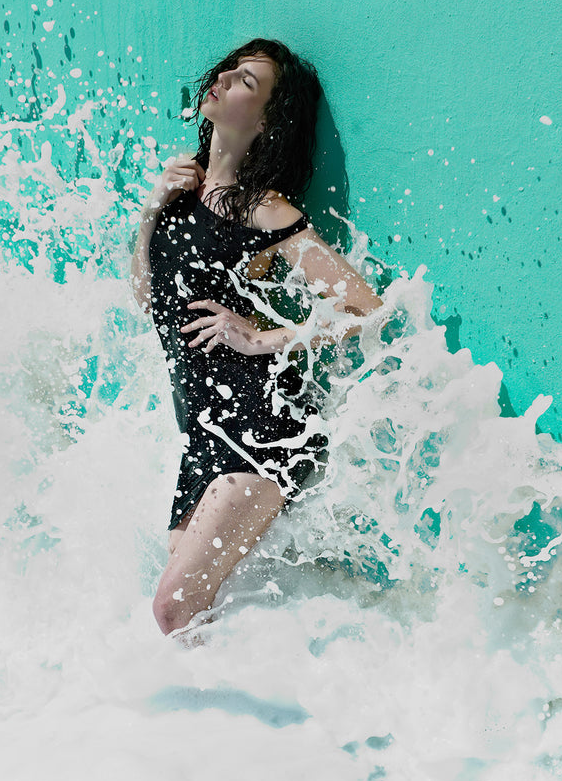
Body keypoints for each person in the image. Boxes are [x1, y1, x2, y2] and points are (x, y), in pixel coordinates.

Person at [129, 39, 383, 639]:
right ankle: (232, 723)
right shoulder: (180, 191)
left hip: (262, 432)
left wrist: (261, 338)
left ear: (267, 119)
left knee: (172, 609)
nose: (224, 77)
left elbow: (365, 308)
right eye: (230, 68)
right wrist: (151, 210)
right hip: (203, 434)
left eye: (247, 79)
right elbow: (145, 299)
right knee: (196, 618)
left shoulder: (263, 211)